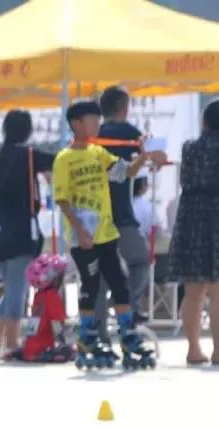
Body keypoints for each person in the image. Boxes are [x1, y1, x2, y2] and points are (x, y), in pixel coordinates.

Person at [53, 99, 166, 369]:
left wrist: (143, 155)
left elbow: (125, 172)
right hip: (84, 237)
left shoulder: (98, 152)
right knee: (90, 286)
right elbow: (63, 199)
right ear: (75, 123)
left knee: (120, 283)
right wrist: (79, 231)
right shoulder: (64, 158)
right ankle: (87, 336)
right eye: (92, 119)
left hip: (106, 233)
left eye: (98, 119)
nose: (96, 124)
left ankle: (128, 334)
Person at [0, 109, 55, 359]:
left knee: (10, 286)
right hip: (21, 230)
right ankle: (12, 343)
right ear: (27, 130)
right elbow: (56, 159)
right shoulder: (27, 155)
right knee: (17, 289)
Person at [93, 86, 151, 339]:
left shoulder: (94, 135)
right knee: (140, 261)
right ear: (124, 108)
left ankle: (99, 333)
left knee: (101, 275)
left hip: (95, 217)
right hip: (122, 217)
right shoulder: (130, 134)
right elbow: (144, 158)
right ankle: (127, 304)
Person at [169, 98, 219, 365]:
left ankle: (193, 349)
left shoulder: (190, 148)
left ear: (205, 121)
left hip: (191, 215)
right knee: (218, 291)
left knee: (194, 291)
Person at [9, 254, 73, 363]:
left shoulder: (38, 296)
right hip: (43, 348)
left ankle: (28, 353)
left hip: (30, 347)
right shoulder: (52, 296)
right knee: (69, 350)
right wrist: (64, 344)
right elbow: (56, 324)